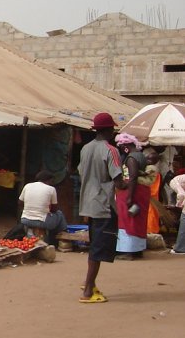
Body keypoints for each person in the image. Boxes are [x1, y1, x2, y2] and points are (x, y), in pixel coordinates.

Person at [77, 113, 122, 303]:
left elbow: (81, 172)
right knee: (99, 248)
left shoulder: (85, 149)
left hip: (87, 203)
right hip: (103, 204)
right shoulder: (110, 150)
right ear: (109, 130)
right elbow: (118, 181)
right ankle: (88, 290)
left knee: (94, 245)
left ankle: (89, 283)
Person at [113, 133, 150, 260]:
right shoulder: (141, 156)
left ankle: (128, 251)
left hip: (132, 191)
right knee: (138, 220)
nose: (121, 149)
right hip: (141, 191)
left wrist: (129, 197)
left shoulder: (131, 158)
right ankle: (137, 250)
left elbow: (133, 176)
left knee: (127, 220)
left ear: (126, 146)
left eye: (122, 147)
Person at [18, 170, 67, 245]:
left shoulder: (27, 185)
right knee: (59, 214)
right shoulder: (51, 189)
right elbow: (54, 209)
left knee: (53, 216)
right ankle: (63, 238)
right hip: (41, 221)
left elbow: (20, 202)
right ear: (49, 180)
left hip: (25, 219)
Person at [140, 148, 161, 235]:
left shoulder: (151, 170)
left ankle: (151, 233)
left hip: (150, 197)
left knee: (151, 217)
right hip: (150, 197)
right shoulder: (153, 170)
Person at [168, 174, 185, 255]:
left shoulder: (173, 183)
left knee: (184, 220)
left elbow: (181, 194)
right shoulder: (179, 179)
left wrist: (178, 204)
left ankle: (180, 248)